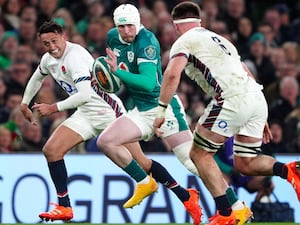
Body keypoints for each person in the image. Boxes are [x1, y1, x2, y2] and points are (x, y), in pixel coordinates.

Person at [19, 20, 200, 224]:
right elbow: (37, 77)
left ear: (63, 37)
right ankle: (64, 206)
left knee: (142, 162)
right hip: (86, 114)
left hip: (109, 112)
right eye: (46, 44)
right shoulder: (48, 59)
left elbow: (85, 95)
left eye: (54, 41)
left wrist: (53, 108)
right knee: (51, 151)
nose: (52, 47)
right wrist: (25, 103)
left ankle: (186, 197)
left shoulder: (75, 57)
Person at [153, 2, 300, 225]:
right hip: (255, 97)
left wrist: (162, 109)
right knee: (245, 164)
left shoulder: (183, 41)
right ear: (199, 21)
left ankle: (227, 212)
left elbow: (172, 74)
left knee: (199, 154)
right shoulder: (221, 40)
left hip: (231, 99)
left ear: (176, 26)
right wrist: (261, 116)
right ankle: (288, 170)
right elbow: (246, 71)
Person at [97, 4, 202, 225]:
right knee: (106, 141)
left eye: (130, 25)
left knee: (194, 163)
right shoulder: (112, 38)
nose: (126, 31)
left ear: (139, 22)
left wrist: (117, 72)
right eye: (121, 26)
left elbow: (145, 83)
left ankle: (233, 205)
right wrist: (105, 75)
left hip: (163, 107)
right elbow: (117, 75)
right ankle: (146, 183)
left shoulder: (147, 42)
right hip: (140, 110)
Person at [215, 137, 274, 202]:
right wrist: (229, 170)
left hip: (249, 173)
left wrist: (268, 177)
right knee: (223, 182)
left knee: (270, 185)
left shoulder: (254, 136)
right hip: (229, 173)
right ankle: (225, 208)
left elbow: (271, 157)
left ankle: (259, 207)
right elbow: (213, 158)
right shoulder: (225, 137)